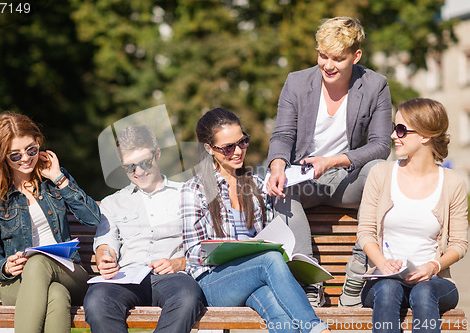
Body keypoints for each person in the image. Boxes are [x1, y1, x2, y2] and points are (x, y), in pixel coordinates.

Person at [266, 16, 392, 306]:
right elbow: (283, 134)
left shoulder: (375, 85)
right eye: (323, 56)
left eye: (337, 58)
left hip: (347, 178)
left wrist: (332, 161)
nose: (328, 65)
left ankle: (358, 273)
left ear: (356, 55)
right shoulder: (296, 82)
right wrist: (277, 166)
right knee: (281, 188)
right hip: (305, 181)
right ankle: (310, 283)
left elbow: (382, 145)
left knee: (381, 172)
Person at [181, 108, 331, 333]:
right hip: (214, 283)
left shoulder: (257, 185)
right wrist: (232, 249)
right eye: (227, 147)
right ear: (209, 148)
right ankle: (316, 328)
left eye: (242, 142)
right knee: (268, 259)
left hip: (255, 279)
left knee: (281, 317)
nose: (237, 151)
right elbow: (193, 252)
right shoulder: (194, 190)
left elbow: (271, 235)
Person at [0, 111, 101, 333]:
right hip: (17, 283)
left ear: (39, 143)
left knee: (38, 263)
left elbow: (93, 218)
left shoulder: (53, 179)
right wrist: (4, 266)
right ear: (0, 155)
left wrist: (59, 178)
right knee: (57, 295)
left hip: (69, 272)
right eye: (15, 155)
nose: (26, 158)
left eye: (31, 149)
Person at [358, 98, 468, 333]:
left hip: (435, 282)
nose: (393, 136)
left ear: (425, 136)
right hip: (383, 281)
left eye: (401, 130)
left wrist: (432, 266)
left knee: (424, 290)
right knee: (389, 289)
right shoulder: (381, 174)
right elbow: (365, 233)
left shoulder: (453, 183)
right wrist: (384, 264)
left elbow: (459, 244)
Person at [83, 125, 205, 333]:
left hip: (172, 278)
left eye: (144, 163)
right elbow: (106, 242)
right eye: (129, 167)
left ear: (157, 155)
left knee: (188, 297)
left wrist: (179, 263)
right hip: (126, 276)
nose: (138, 172)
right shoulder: (113, 202)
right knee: (97, 300)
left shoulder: (185, 194)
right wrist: (105, 257)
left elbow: (203, 245)